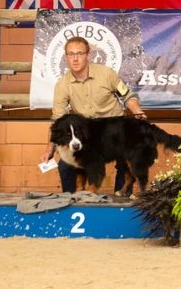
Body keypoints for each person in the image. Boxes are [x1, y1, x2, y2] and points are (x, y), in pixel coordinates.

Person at [42, 36, 146, 193]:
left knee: (126, 160)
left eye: (79, 53)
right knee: (65, 165)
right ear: (66, 58)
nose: (75, 59)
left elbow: (128, 96)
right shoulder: (62, 85)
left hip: (114, 129)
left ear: (88, 55)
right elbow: (58, 121)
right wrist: (49, 150)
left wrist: (137, 111)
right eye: (70, 54)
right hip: (86, 133)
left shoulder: (106, 74)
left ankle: (121, 199)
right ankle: (71, 201)